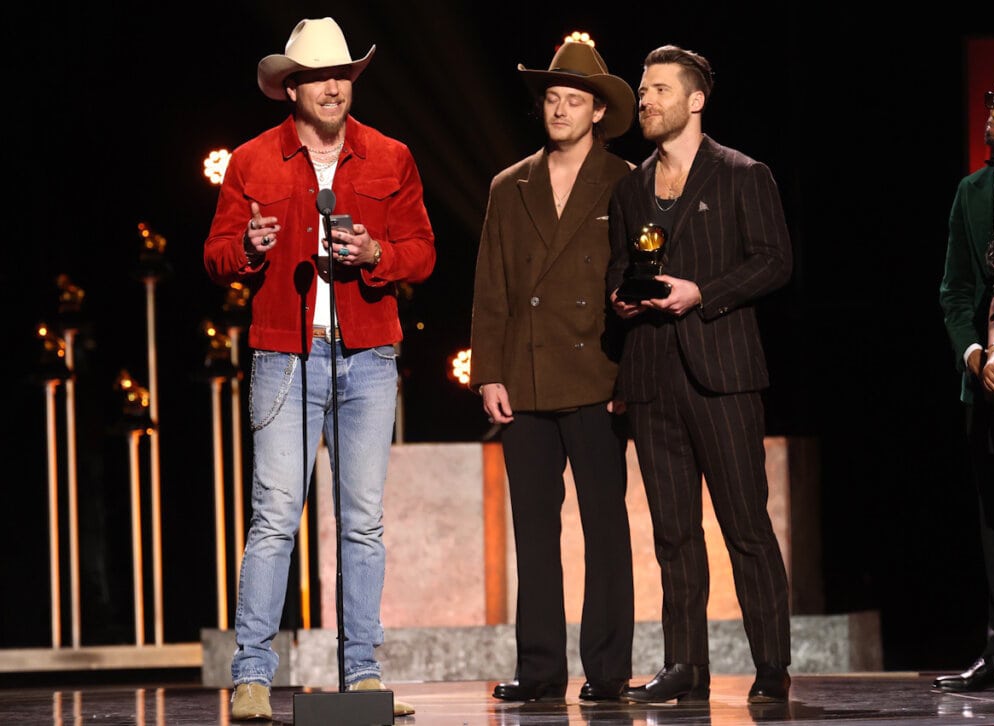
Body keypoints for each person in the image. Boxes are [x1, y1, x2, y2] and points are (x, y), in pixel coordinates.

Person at [203, 17, 435, 721]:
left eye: (343, 76)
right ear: (291, 89)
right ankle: (251, 678)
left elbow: (422, 250)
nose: (334, 87)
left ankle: (361, 675)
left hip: (368, 356)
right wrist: (246, 245)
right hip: (285, 355)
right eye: (319, 77)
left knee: (362, 522)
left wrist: (377, 257)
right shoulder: (252, 161)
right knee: (274, 518)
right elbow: (215, 255)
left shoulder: (390, 156)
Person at [606, 45, 793, 704]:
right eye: (643, 88)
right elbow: (618, 268)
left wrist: (701, 293)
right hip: (653, 378)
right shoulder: (630, 188)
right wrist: (621, 297)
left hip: (723, 373)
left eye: (657, 88)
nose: (645, 99)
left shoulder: (743, 175)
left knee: (745, 525)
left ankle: (771, 664)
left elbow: (774, 260)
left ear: (695, 99)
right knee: (673, 533)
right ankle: (686, 665)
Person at [469, 36, 637, 703]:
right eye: (552, 98)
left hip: (598, 376)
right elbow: (491, 288)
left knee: (606, 527)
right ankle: (539, 670)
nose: (560, 109)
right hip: (526, 379)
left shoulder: (625, 181)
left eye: (574, 100)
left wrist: (630, 381)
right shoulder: (510, 186)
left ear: (598, 111)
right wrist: (489, 374)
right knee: (534, 531)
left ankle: (608, 670)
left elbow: (633, 286)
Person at [937, 66, 994, 694]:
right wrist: (975, 356)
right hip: (988, 380)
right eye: (992, 99)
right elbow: (957, 290)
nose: (990, 110)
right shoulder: (972, 191)